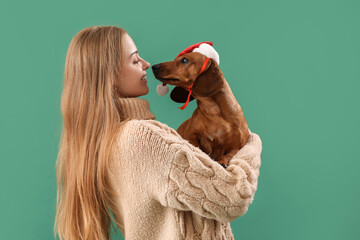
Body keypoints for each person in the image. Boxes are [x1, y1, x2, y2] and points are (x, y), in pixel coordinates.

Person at [54, 26, 263, 240]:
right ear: (110, 75)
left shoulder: (111, 138)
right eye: (135, 60)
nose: (146, 64)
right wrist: (250, 144)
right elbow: (233, 197)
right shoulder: (142, 138)